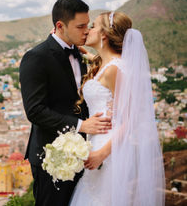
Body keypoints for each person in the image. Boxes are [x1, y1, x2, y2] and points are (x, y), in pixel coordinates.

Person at [19, 0, 112, 206]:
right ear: (60, 26)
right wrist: (81, 125)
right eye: (80, 26)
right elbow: (35, 111)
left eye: (87, 25)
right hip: (51, 156)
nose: (86, 31)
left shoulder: (79, 52)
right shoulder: (36, 57)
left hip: (83, 154)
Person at [69, 11, 165, 206]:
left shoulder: (115, 69)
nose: (88, 30)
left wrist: (101, 154)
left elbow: (130, 120)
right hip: (98, 141)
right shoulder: (106, 64)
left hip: (108, 147)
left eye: (93, 26)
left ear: (104, 34)